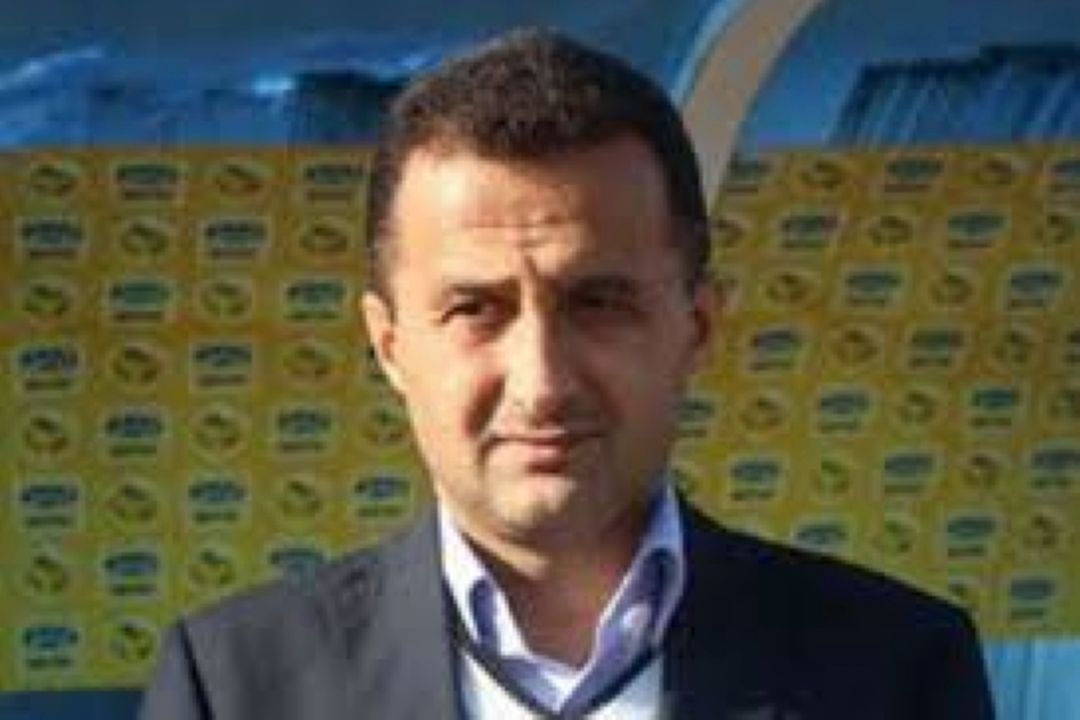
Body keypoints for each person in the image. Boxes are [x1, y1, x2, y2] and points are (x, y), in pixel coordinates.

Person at [138, 28, 994, 719]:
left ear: (695, 328)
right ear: (390, 346)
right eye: (477, 309)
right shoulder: (237, 686)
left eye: (598, 302)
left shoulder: (897, 671)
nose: (541, 382)